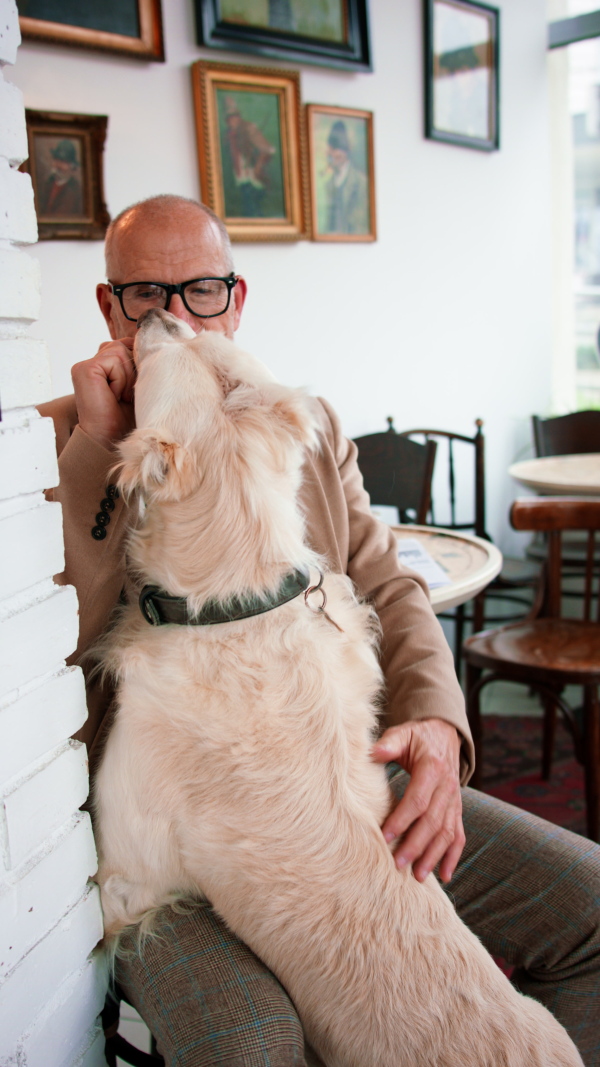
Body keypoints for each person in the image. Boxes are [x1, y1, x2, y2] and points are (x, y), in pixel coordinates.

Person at [39, 194, 600, 1067]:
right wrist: (101, 452)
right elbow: (50, 654)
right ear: (110, 308)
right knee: (255, 1044)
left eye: (203, 290)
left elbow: (392, 582)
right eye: (146, 295)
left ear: (238, 296)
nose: (177, 319)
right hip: (167, 843)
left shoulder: (299, 419)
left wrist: (442, 730)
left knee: (589, 904)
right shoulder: (49, 448)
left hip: (333, 789)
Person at [323, 120, 369, 236]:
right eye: (330, 150)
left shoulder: (361, 182)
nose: (331, 155)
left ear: (344, 153)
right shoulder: (329, 184)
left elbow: (360, 226)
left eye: (335, 150)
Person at [39, 138, 84, 217]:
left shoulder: (76, 189)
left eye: (63, 162)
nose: (58, 165)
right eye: (57, 160)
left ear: (72, 166)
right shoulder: (47, 183)